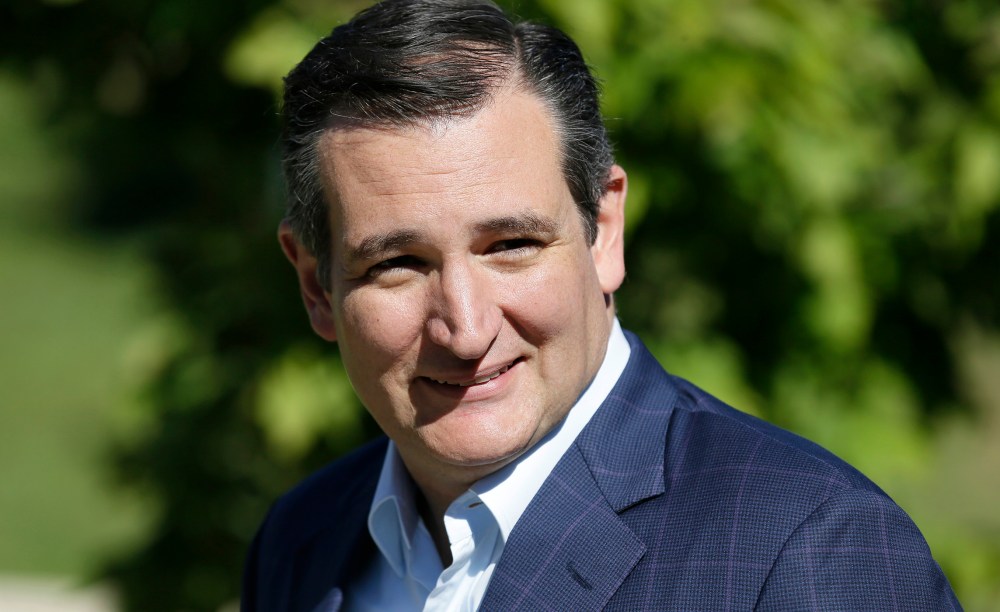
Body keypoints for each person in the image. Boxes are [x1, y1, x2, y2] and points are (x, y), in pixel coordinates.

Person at [242, 0, 961, 610]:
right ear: (316, 285)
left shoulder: (812, 552)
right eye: (399, 264)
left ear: (603, 233)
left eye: (511, 245)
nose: (465, 328)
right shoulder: (298, 543)